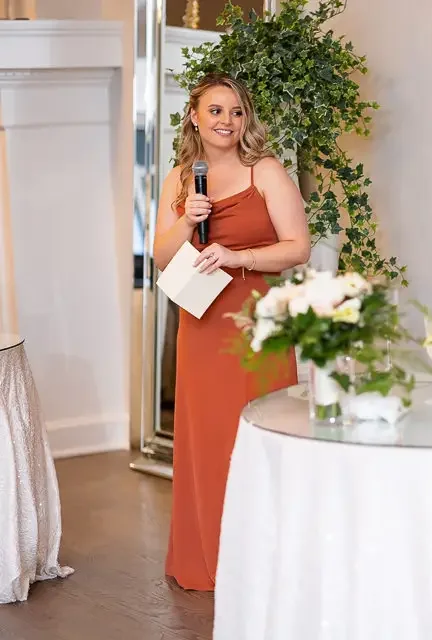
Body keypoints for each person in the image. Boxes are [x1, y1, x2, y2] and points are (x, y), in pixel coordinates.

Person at [153, 73, 310, 591]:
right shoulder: (180, 179)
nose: (226, 121)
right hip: (200, 325)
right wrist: (186, 221)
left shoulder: (263, 170)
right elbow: (159, 254)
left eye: (236, 112)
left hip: (255, 324)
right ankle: (208, 559)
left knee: (255, 435)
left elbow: (297, 248)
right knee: (206, 440)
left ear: (246, 120)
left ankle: (264, 565)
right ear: (194, 116)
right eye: (215, 111)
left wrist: (240, 256)